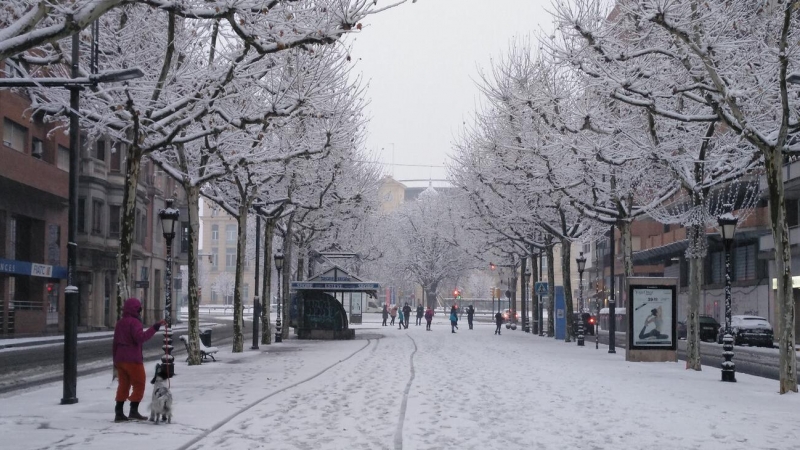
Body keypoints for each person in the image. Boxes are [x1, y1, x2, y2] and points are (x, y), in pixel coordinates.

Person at [113, 297, 166, 422]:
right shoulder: (134, 322)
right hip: (133, 359)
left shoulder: (120, 323)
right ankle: (133, 410)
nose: (140, 311)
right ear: (136, 309)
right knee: (139, 384)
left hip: (120, 359)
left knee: (123, 385)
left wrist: (115, 360)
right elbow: (140, 338)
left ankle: (119, 412)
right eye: (139, 309)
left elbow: (115, 343)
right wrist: (155, 327)